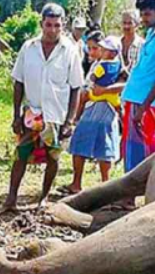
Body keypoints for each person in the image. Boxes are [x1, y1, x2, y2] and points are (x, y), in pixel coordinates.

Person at [3, 3, 83, 211]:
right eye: (49, 25)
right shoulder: (28, 48)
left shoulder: (70, 51)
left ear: (62, 25)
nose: (53, 30)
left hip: (56, 115)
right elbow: (18, 82)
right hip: (32, 112)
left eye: (57, 25)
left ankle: (43, 198)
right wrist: (16, 115)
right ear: (41, 24)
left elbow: (76, 87)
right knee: (21, 154)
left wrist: (70, 121)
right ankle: (11, 198)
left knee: (53, 157)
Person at [100, 0, 155, 177]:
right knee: (134, 148)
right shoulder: (152, 33)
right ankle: (132, 194)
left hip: (144, 101)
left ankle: (135, 195)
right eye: (142, 14)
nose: (143, 19)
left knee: (143, 148)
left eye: (147, 14)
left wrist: (144, 107)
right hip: (135, 98)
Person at [64, 35, 122, 195]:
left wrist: (103, 91)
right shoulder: (100, 64)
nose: (96, 51)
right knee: (85, 145)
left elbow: (125, 83)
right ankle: (79, 183)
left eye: (98, 48)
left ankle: (105, 185)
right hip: (95, 106)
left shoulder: (114, 66)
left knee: (102, 146)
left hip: (102, 109)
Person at [119, 9, 144, 76]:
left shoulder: (142, 45)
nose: (126, 26)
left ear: (137, 25)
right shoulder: (116, 44)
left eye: (130, 23)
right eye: (124, 23)